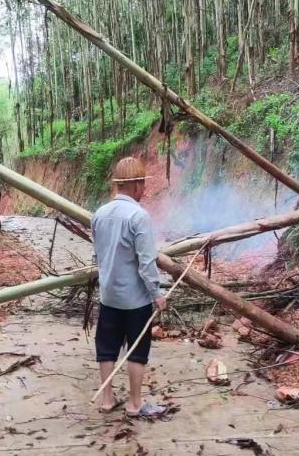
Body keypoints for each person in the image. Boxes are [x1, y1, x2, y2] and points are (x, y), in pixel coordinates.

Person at [91, 156, 167, 418]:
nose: (144, 190)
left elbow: (98, 255)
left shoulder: (99, 214)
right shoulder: (139, 216)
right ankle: (135, 403)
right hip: (135, 300)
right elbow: (147, 263)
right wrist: (157, 294)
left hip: (108, 296)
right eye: (142, 184)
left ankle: (108, 399)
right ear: (134, 185)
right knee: (136, 350)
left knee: (107, 346)